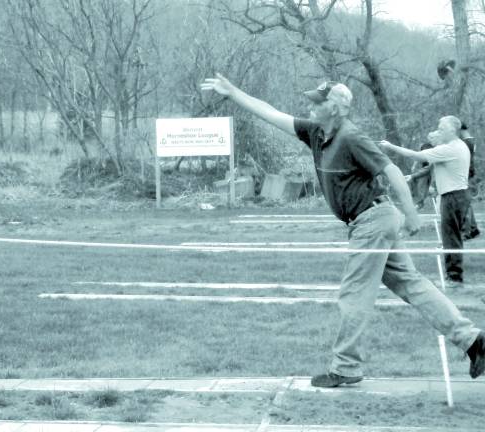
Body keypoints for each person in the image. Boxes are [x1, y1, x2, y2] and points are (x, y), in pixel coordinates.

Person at [200, 74, 485, 387]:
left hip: (372, 219)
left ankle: (346, 367)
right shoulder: (314, 132)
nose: (309, 105)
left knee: (354, 294)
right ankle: (473, 341)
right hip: (371, 220)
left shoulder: (351, 137)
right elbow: (268, 111)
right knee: (412, 284)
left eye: (316, 102)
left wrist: (412, 214)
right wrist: (233, 92)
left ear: (334, 109)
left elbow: (392, 171)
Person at [380, 117, 470, 284]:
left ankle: (454, 278)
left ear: (452, 131)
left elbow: (417, 156)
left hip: (453, 197)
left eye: (442, 128)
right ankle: (454, 276)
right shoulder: (457, 146)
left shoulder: (450, 149)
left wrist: (390, 147)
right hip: (457, 196)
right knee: (452, 237)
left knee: (450, 237)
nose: (439, 131)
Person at [459, 123, 480, 240]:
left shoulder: (466, 143)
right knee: (467, 204)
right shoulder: (470, 141)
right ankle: (473, 228)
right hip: (469, 175)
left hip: (466, 176)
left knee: (464, 204)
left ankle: (466, 232)